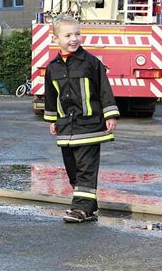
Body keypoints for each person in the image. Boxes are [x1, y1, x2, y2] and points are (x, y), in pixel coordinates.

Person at [43, 14, 120, 223]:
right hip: (66, 128)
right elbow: (51, 96)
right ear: (55, 39)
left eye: (77, 34)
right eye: (68, 35)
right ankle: (90, 207)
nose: (74, 39)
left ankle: (80, 209)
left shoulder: (91, 63)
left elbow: (105, 89)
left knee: (86, 168)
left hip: (90, 126)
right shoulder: (52, 68)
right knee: (73, 170)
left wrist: (110, 114)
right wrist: (52, 120)